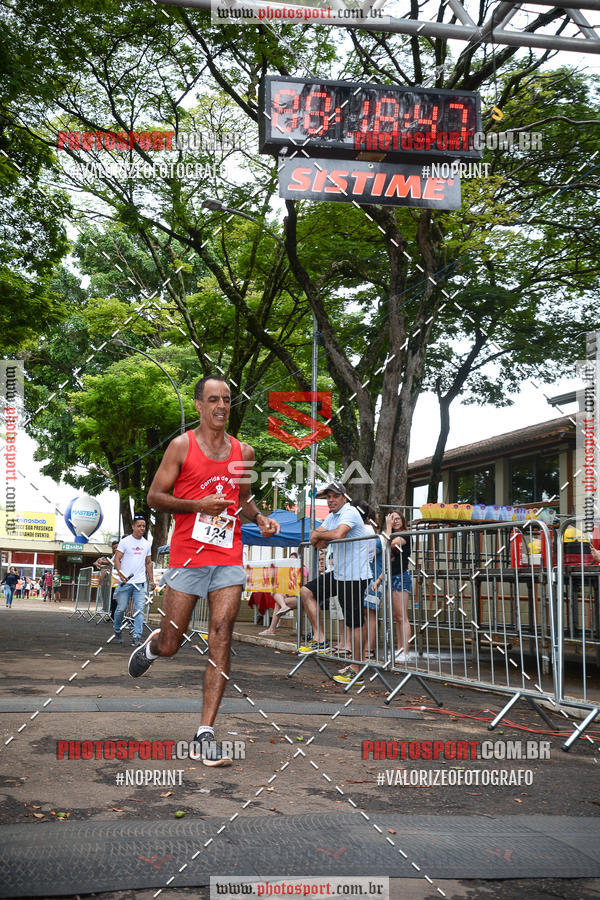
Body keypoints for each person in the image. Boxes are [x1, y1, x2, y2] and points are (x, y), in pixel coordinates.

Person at [137, 375, 280, 767]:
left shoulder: (244, 452)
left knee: (221, 633)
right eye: (213, 399)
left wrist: (260, 518)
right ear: (199, 404)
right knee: (172, 643)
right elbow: (155, 497)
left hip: (228, 555)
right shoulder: (181, 446)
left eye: (227, 400)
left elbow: (243, 500)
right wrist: (198, 506)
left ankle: (205, 733)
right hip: (188, 555)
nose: (221, 406)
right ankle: (153, 646)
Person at [298, 482, 372, 686]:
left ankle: (357, 668)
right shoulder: (333, 515)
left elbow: (335, 535)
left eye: (334, 496)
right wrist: (319, 536)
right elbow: (315, 536)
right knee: (306, 591)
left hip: (355, 576)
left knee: (354, 622)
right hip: (339, 574)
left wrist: (319, 536)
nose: (330, 500)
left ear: (344, 497)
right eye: (328, 497)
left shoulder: (349, 512)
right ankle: (320, 640)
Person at [112, 518, 155, 647]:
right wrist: (121, 573)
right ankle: (117, 629)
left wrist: (151, 580)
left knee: (139, 610)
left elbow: (148, 563)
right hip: (126, 582)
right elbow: (117, 559)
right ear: (133, 527)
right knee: (120, 609)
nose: (142, 528)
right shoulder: (125, 542)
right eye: (139, 526)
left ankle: (137, 637)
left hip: (140, 583)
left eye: (144, 526)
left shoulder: (147, 544)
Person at [385, 511, 413, 663]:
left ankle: (405, 651)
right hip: (392, 576)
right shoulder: (394, 535)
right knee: (397, 617)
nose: (395, 521)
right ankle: (399, 649)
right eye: (392, 519)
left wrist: (388, 526)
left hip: (401, 577)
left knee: (402, 616)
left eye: (397, 519)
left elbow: (388, 543)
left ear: (402, 520)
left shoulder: (405, 535)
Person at [94, 540, 120, 620]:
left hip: (118, 580)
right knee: (112, 597)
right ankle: (112, 615)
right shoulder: (114, 555)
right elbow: (109, 563)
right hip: (112, 580)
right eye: (114, 548)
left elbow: (112, 563)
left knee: (116, 598)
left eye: (117, 547)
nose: (115, 549)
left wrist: (102, 562)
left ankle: (117, 616)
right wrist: (100, 563)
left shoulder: (120, 554)